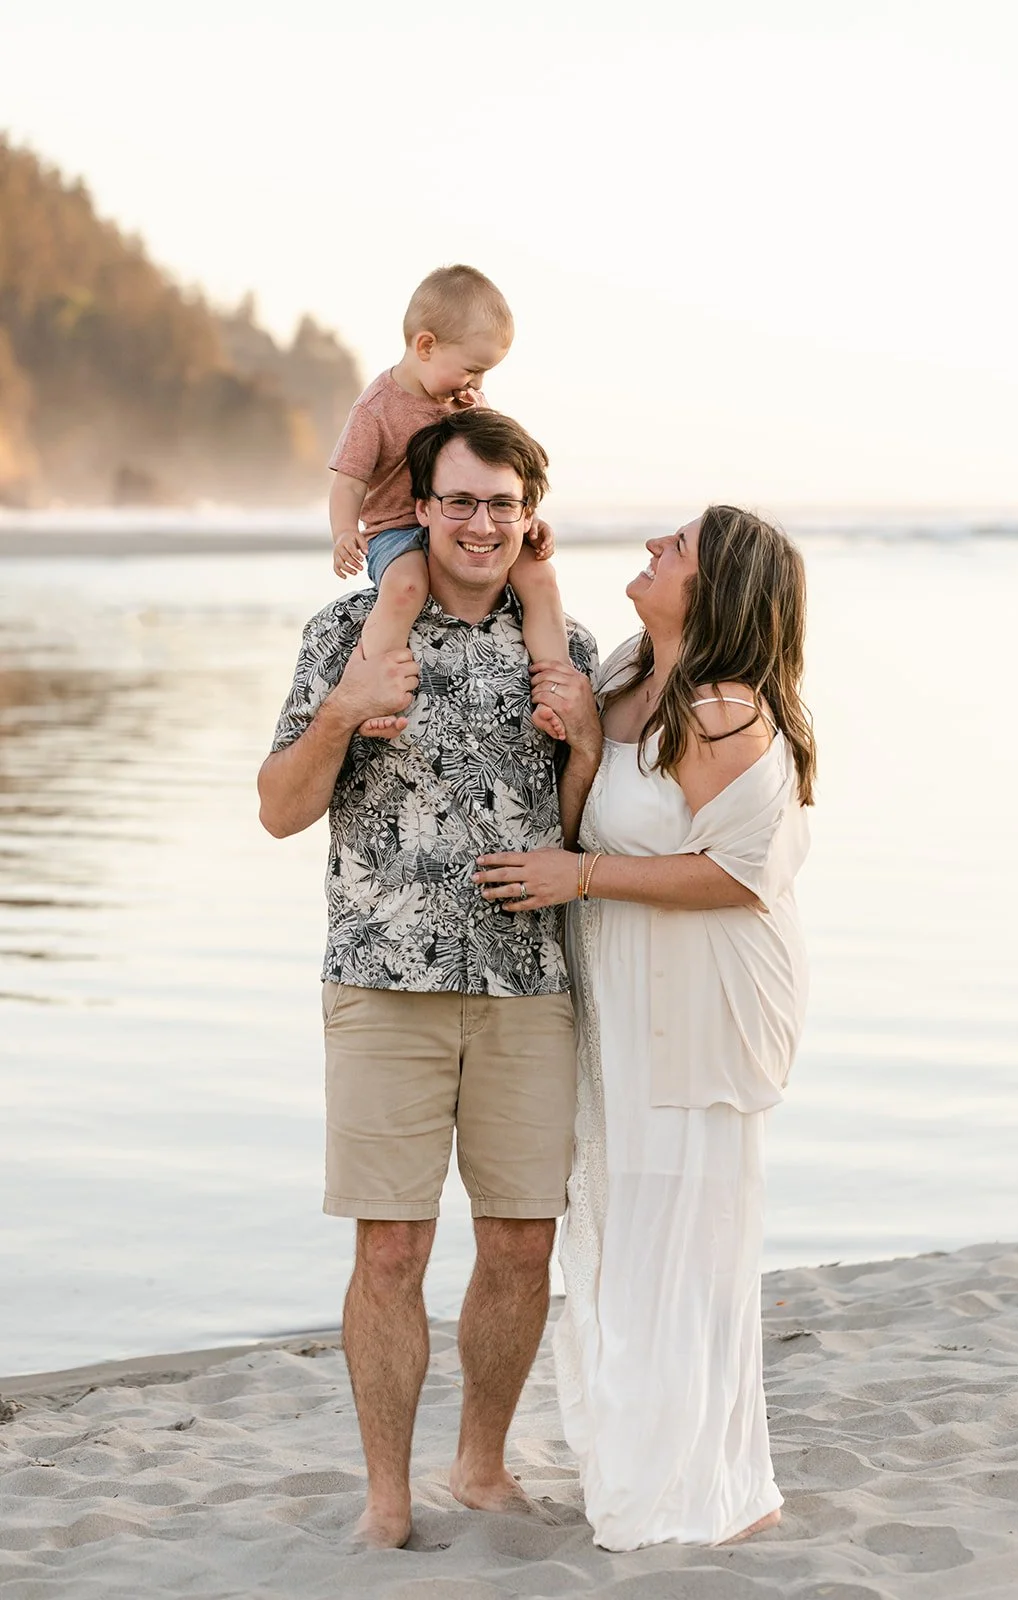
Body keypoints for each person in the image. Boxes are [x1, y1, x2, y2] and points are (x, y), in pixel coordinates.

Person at [257, 407, 598, 1551]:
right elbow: (277, 809)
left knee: (519, 1243)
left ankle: (484, 1464)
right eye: (458, 499)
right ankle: (387, 1496)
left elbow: (584, 833)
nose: (480, 523)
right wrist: (344, 715)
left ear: (528, 516)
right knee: (390, 1246)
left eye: (502, 504)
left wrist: (586, 743)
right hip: (381, 979)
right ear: (420, 507)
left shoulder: (567, 647)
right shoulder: (347, 632)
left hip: (525, 986)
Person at [473, 505, 815, 1550]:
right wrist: (538, 593)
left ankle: (699, 1486)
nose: (655, 548)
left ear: (711, 592)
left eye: (678, 548)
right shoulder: (627, 673)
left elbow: (734, 874)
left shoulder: (724, 712)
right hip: (620, 986)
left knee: (680, 1243)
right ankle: (645, 1459)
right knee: (624, 1236)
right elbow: (587, 792)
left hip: (695, 999)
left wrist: (574, 874)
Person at [328, 263, 566, 737]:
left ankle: (559, 686)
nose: (476, 385)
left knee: (539, 574)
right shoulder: (376, 409)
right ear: (426, 346)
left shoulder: (465, 401)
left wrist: (527, 520)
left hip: (454, 521)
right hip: (396, 529)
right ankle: (373, 688)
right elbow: (349, 481)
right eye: (471, 370)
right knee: (406, 589)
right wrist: (343, 532)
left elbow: (503, 466)